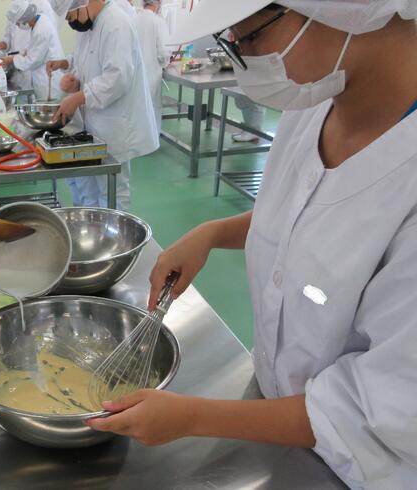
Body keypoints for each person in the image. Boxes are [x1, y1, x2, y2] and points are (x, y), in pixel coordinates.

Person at [85, 1, 417, 488]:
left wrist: (192, 417)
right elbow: (311, 215)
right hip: (275, 413)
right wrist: (213, 234)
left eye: (252, 34)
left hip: (359, 470)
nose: (242, 59)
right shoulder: (317, 102)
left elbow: (374, 414)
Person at [47, 0, 158, 210]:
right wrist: (73, 77)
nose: (71, 23)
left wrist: (77, 98)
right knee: (93, 187)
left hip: (115, 123)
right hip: (96, 122)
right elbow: (85, 60)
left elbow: (117, 79)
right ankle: (93, 226)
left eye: (70, 17)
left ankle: (114, 230)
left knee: (112, 190)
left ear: (82, 4)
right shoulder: (89, 25)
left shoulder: (116, 24)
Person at [1, 0, 65, 101]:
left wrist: (12, 59)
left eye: (18, 23)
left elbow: (33, 60)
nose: (17, 26)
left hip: (48, 80)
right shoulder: (39, 22)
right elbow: (35, 49)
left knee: (48, 109)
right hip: (42, 77)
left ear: (24, 18)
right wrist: (24, 53)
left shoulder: (41, 30)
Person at [134, 0, 170, 133]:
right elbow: (164, 51)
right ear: (158, 3)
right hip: (152, 74)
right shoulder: (157, 21)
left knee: (137, 109)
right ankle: (152, 138)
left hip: (134, 75)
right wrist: (166, 63)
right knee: (152, 109)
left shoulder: (133, 19)